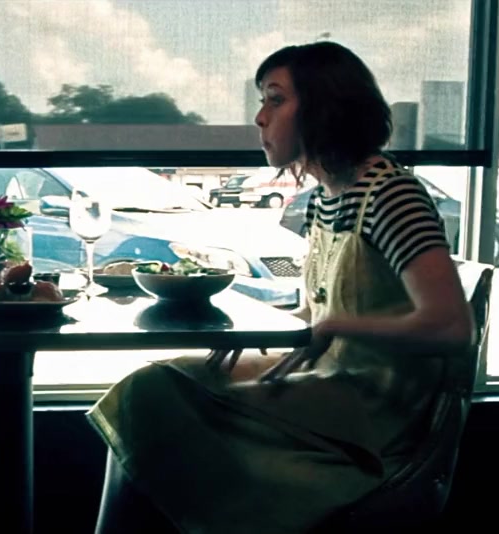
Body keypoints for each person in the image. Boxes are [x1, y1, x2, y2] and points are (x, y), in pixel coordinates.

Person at [86, 41, 475, 534]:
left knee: (152, 398)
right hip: (329, 387)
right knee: (155, 384)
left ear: (324, 108)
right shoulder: (325, 199)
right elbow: (320, 316)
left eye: (275, 99)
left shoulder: (392, 195)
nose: (260, 117)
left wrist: (336, 326)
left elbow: (450, 327)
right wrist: (258, 334)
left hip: (373, 414)